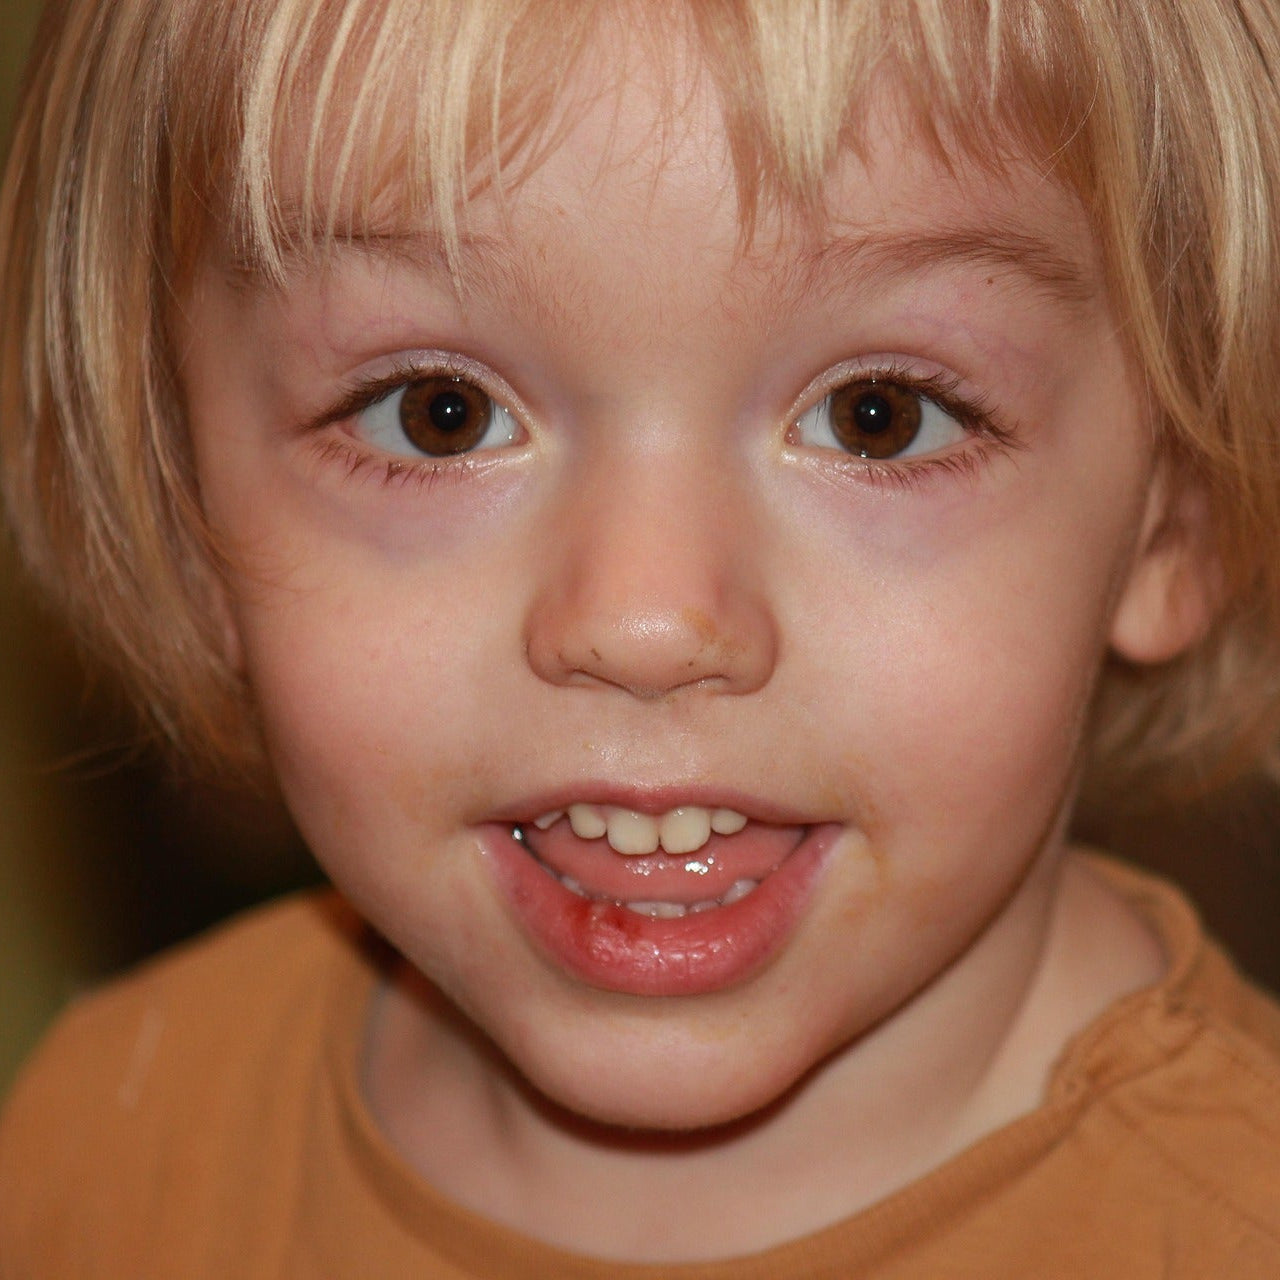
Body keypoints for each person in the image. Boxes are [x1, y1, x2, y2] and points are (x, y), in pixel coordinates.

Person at [2, 0, 1280, 1274]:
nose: (645, 623)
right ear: (189, 500)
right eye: (438, 413)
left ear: (1177, 512)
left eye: (877, 415)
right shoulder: (97, 1153)